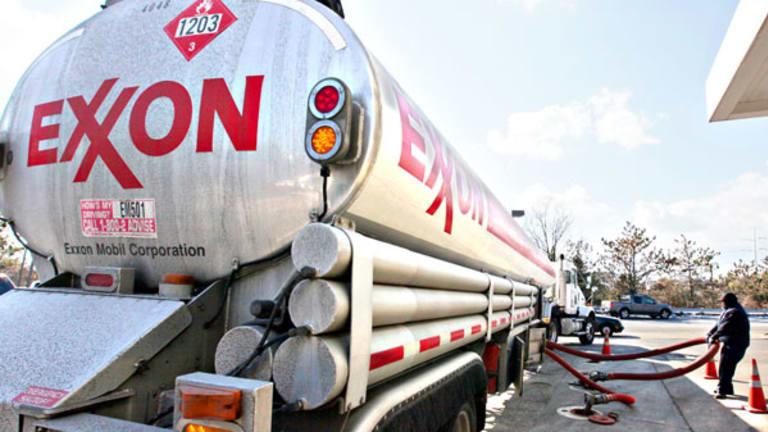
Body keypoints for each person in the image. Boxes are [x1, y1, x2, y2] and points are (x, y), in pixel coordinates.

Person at [707, 292, 750, 399]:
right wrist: (711, 332)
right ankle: (727, 388)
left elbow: (725, 326)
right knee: (727, 367)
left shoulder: (735, 312)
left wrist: (714, 337)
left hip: (736, 344)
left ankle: (722, 390)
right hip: (731, 342)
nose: (722, 304)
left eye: (723, 302)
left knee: (725, 367)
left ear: (728, 302)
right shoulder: (729, 310)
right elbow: (719, 324)